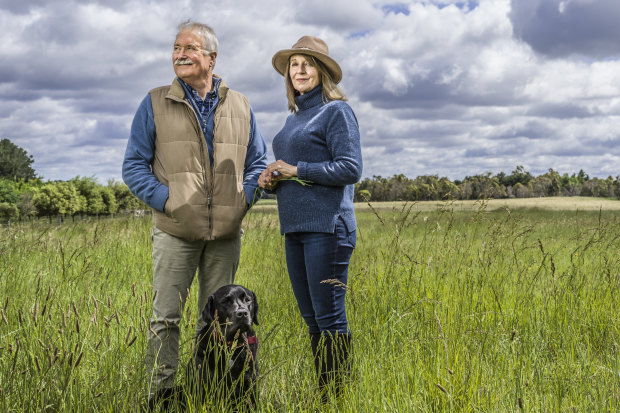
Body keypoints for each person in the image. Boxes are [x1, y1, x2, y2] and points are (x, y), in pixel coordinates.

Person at [122, 20, 267, 409]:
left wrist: (242, 199)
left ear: (211, 57)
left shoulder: (239, 103)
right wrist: (171, 202)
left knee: (224, 321)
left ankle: (219, 391)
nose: (180, 54)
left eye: (189, 48)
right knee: (166, 319)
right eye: (175, 48)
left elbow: (258, 163)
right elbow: (133, 166)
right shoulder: (154, 102)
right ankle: (164, 396)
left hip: (224, 236)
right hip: (174, 232)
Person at [258, 36, 363, 401]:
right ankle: (326, 395)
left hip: (328, 228)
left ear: (322, 72)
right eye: (294, 64)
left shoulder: (336, 111)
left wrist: (295, 167)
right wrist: (271, 178)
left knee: (330, 319)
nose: (299, 70)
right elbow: (295, 176)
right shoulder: (293, 120)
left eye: (308, 63)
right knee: (312, 320)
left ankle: (337, 399)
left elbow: (350, 168)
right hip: (295, 229)